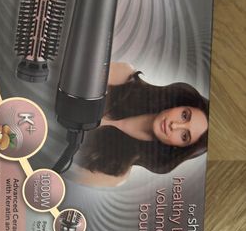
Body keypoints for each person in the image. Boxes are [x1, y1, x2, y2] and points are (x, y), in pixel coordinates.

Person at [56, 63, 209, 187]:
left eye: (184, 136)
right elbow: (67, 71)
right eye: (184, 115)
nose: (174, 126)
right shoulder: (124, 77)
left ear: (178, 148)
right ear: (180, 104)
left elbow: (58, 172)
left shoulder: (116, 173)